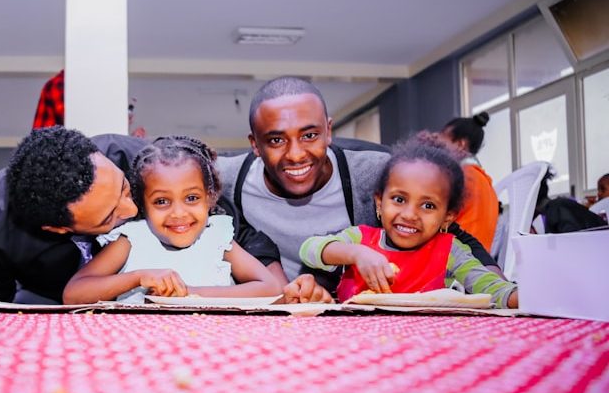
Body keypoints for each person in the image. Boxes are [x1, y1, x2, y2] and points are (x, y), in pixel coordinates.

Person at [0, 127, 323, 304]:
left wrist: (280, 289)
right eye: (109, 217)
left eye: (126, 192)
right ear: (58, 228)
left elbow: (233, 232)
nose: (134, 212)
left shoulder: (142, 163)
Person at [217, 75, 498, 293]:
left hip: (348, 312)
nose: (295, 154)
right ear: (255, 144)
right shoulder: (225, 179)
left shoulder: (374, 172)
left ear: (328, 131)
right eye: (276, 140)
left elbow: (451, 234)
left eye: (310, 135)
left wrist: (500, 287)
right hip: (268, 313)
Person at [299, 134, 519, 308]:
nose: (410, 214)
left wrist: (519, 296)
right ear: (379, 202)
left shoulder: (450, 250)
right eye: (399, 199)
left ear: (448, 216)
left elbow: (492, 288)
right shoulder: (361, 238)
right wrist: (357, 253)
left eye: (428, 206)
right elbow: (309, 249)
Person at [63, 136, 286, 303]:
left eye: (191, 198)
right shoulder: (132, 239)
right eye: (161, 201)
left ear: (210, 198)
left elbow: (271, 288)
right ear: (142, 204)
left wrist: (189, 293)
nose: (178, 213)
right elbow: (73, 293)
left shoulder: (217, 238)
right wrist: (138, 277)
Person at [438, 111, 499, 249]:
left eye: (443, 138)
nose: (437, 144)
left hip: (454, 261)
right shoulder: (484, 181)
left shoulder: (459, 178)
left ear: (460, 144)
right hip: (478, 263)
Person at [534, 168, 606, 234]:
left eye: (603, 189)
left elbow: (571, 241)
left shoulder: (556, 209)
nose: (598, 194)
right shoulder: (557, 207)